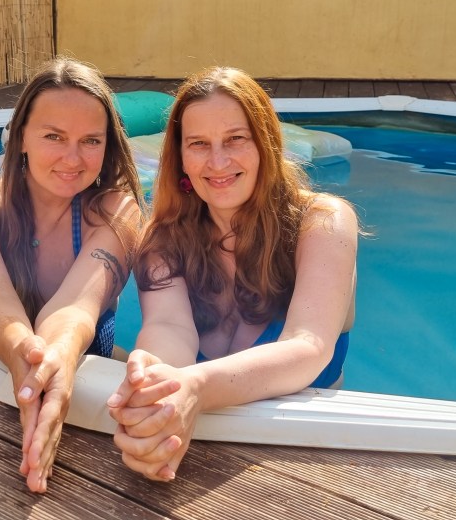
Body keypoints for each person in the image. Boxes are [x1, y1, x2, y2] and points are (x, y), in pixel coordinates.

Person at [106, 67, 357, 482]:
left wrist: (195, 388)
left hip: (304, 461)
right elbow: (168, 327)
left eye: (235, 139)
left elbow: (308, 345)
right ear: (181, 158)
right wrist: (157, 391)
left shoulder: (322, 222)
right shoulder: (163, 239)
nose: (218, 161)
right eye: (199, 144)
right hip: (197, 454)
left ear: (265, 143)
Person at [0, 57, 143, 493]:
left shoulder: (115, 212)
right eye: (54, 136)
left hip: (91, 411)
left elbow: (75, 309)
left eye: (91, 141)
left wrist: (58, 359)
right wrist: (27, 358)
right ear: (21, 138)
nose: (73, 158)